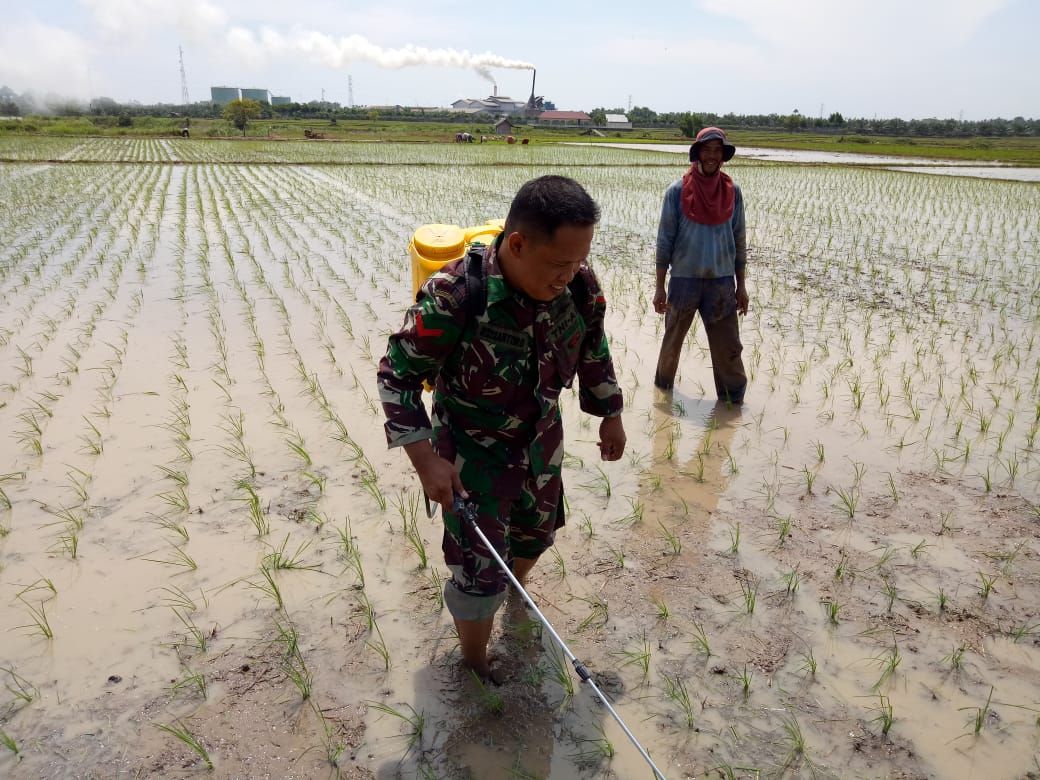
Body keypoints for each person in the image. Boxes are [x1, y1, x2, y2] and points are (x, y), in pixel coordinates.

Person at [377, 175, 626, 683]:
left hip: (541, 446)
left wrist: (610, 414)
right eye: (559, 263)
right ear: (517, 244)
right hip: (472, 457)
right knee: (477, 572)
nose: (569, 274)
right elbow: (396, 373)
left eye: (578, 261)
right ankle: (474, 664)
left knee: (536, 537)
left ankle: (517, 588)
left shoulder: (578, 286)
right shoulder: (457, 296)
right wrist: (426, 461)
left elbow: (594, 346)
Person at [653, 126, 749, 403]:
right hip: (684, 280)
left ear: (723, 156)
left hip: (721, 282)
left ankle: (733, 400)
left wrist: (741, 286)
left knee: (729, 347)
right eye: (707, 150)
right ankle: (662, 392)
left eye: (717, 151)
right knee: (672, 343)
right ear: (697, 154)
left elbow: (739, 239)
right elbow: (664, 241)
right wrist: (659, 287)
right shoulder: (677, 192)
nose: (712, 156)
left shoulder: (733, 193)